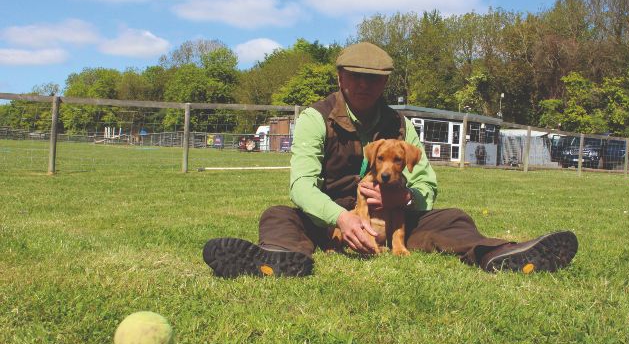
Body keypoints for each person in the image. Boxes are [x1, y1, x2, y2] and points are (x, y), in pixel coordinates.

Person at [203, 42, 578, 278]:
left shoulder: (399, 125)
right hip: (329, 221)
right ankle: (278, 258)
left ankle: (497, 253)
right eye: (356, 77)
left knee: (452, 217)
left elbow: (428, 182)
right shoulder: (316, 119)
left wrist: (407, 198)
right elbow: (301, 185)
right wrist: (342, 217)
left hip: (394, 220)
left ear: (385, 83)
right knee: (278, 214)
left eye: (374, 79)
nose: (365, 86)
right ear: (340, 77)